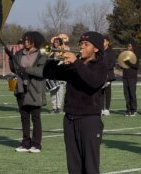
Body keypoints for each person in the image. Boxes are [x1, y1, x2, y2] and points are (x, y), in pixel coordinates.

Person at [43, 31, 107, 174]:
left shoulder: (100, 66)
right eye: (80, 44)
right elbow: (49, 73)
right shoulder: (75, 64)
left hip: (89, 120)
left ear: (96, 48)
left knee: (90, 166)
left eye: (86, 44)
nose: (81, 47)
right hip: (70, 119)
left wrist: (76, 62)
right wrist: (52, 57)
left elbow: (93, 82)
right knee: (74, 166)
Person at [8, 31, 47, 153]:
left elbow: (41, 71)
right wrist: (10, 57)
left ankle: (36, 144)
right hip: (21, 89)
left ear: (34, 41)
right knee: (24, 117)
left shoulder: (41, 54)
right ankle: (25, 143)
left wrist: (26, 70)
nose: (25, 42)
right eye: (24, 40)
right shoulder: (20, 53)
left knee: (35, 118)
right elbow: (15, 69)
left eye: (28, 40)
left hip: (35, 90)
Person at [48, 37, 68, 114]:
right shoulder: (52, 50)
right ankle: (53, 107)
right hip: (52, 73)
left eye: (57, 42)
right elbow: (47, 57)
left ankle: (58, 107)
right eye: (54, 42)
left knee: (60, 91)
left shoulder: (63, 48)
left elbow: (65, 58)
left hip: (61, 72)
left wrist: (59, 55)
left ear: (60, 42)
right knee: (52, 90)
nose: (55, 43)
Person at [122, 42, 139, 117]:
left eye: (130, 46)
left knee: (132, 94)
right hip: (125, 76)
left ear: (133, 47)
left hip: (132, 77)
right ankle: (128, 110)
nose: (128, 47)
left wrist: (128, 62)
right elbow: (122, 65)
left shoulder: (135, 56)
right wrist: (122, 64)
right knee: (126, 94)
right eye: (128, 46)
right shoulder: (125, 56)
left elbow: (136, 66)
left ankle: (134, 110)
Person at [101, 35, 116, 116]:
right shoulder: (99, 51)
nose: (102, 43)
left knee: (107, 92)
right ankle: (101, 108)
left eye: (104, 41)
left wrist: (105, 68)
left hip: (108, 74)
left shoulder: (111, 52)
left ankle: (107, 108)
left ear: (107, 42)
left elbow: (113, 63)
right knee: (100, 92)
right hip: (99, 74)